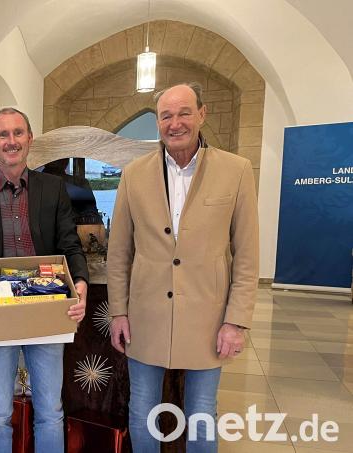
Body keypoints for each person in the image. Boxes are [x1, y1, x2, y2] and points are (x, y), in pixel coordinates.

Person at [107, 83, 259, 452]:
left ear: (202, 114)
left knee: (202, 412)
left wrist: (236, 321)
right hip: (146, 315)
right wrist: (118, 312)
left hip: (208, 316)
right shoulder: (134, 175)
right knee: (142, 408)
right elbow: (119, 251)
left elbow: (248, 253)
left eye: (184, 113)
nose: (175, 123)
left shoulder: (236, 171)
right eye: (166, 115)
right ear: (158, 122)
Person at [0, 107, 89, 453]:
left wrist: (81, 285)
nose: (10, 141)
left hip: (47, 309)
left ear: (29, 139)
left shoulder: (53, 189)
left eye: (17, 133)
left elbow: (70, 246)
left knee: (50, 411)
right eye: (2, 135)